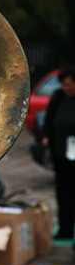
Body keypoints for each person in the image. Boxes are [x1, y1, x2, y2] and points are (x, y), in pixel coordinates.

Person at [42, 65, 75, 241]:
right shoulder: (58, 97)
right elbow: (49, 119)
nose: (66, 88)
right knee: (63, 194)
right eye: (64, 85)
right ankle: (65, 228)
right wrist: (46, 136)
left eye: (69, 84)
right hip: (61, 156)